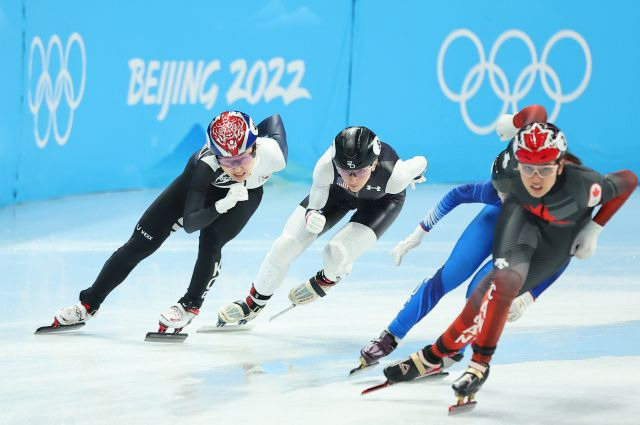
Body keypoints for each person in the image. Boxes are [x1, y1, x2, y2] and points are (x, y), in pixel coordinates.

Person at [382, 120, 638, 403]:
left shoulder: (586, 185)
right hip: (523, 222)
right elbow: (462, 194)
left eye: (544, 170)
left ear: (561, 166)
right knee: (489, 293)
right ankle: (464, 362)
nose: (535, 178)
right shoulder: (509, 185)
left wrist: (595, 228)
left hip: (560, 237)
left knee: (498, 293)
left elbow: (628, 180)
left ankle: (442, 356)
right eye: (527, 168)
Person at [357, 106, 567, 368]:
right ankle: (390, 336)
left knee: (478, 295)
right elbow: (456, 196)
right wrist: (419, 232)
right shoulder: (496, 191)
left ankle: (451, 352)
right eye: (499, 192)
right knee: (449, 275)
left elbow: (562, 256)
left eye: (509, 195)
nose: (502, 198)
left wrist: (530, 295)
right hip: (494, 222)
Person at [50, 111, 288, 333]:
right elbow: (190, 224)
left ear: (255, 146)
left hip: (246, 196)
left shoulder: (274, 155)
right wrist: (219, 206)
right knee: (139, 244)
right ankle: (88, 304)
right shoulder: (204, 165)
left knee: (211, 241)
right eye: (227, 162)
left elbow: (274, 120)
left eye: (243, 159)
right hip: (196, 192)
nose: (237, 169)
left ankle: (189, 305)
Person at [217, 126, 427, 325]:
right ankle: (253, 304)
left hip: (382, 201)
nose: (352, 179)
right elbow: (316, 200)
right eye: (345, 170)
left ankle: (331, 276)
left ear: (373, 165)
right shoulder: (327, 166)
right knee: (285, 246)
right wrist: (312, 213)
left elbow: (421, 161)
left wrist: (415, 173)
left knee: (336, 252)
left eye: (360, 171)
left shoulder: (396, 175)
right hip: (337, 193)